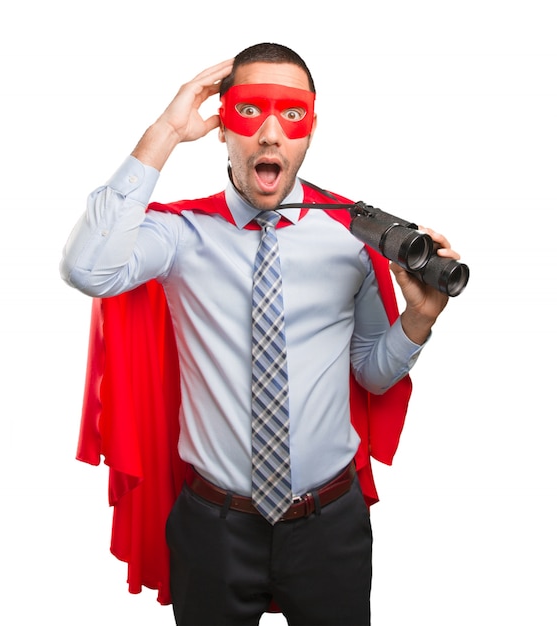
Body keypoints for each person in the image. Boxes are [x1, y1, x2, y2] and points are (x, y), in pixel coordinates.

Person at [60, 42, 461, 626]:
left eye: (291, 114)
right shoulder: (179, 235)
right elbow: (87, 269)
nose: (271, 134)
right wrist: (166, 130)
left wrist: (419, 321)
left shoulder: (353, 233)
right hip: (213, 527)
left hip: (330, 525)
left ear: (310, 129)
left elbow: (372, 372)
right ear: (223, 124)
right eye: (250, 111)